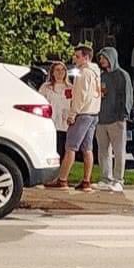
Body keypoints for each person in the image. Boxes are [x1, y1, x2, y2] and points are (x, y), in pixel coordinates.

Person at [46, 44, 102, 192]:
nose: (75, 59)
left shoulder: (83, 73)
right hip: (93, 113)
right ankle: (86, 181)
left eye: (77, 56)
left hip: (82, 113)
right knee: (87, 148)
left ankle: (62, 179)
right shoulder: (95, 72)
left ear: (86, 57)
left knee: (70, 147)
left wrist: (72, 114)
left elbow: (80, 96)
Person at [96, 46, 132, 193]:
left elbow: (127, 97)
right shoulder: (101, 76)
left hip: (117, 120)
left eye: (104, 57)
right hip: (101, 119)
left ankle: (118, 180)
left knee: (118, 152)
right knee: (103, 151)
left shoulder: (122, 75)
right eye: (100, 58)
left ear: (111, 57)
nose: (101, 60)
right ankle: (105, 178)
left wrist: (123, 115)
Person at [38, 61, 72, 158]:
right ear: (52, 72)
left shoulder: (70, 88)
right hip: (50, 122)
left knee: (62, 148)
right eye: (57, 70)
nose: (60, 72)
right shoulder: (46, 87)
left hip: (64, 123)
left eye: (62, 70)